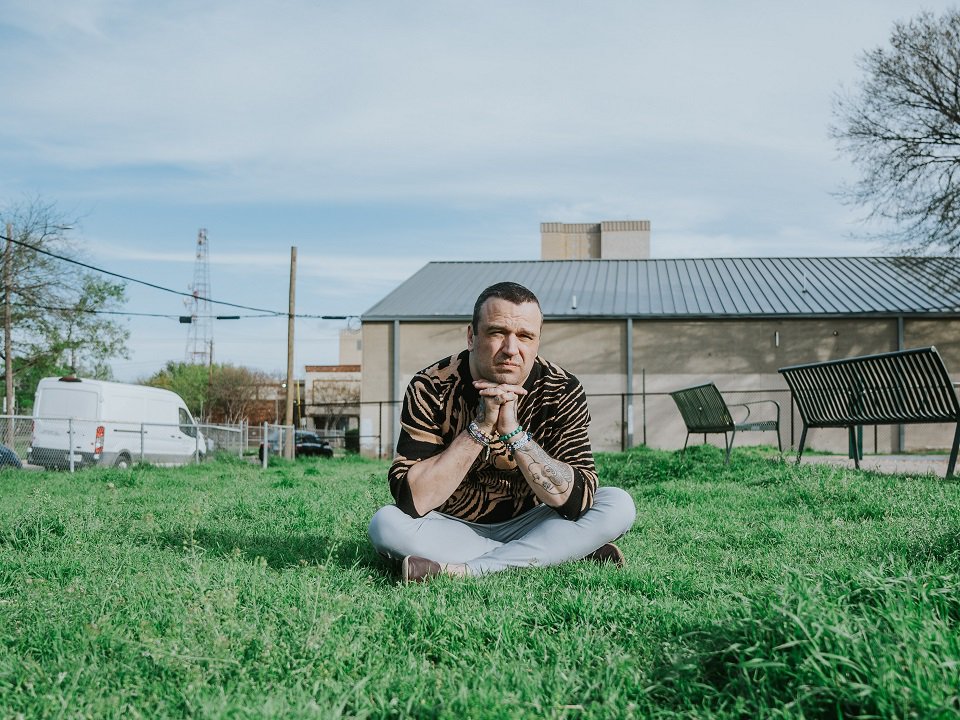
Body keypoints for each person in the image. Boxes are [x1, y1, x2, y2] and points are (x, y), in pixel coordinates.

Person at [368, 281, 636, 582]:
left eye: (525, 336)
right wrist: (480, 427)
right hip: (451, 524)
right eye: (498, 332)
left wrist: (514, 433)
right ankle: (557, 552)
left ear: (537, 341)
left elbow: (578, 499)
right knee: (386, 524)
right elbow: (410, 499)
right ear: (472, 336)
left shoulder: (562, 388)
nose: (511, 349)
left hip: (534, 521)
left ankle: (464, 571)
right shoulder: (431, 385)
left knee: (618, 504)